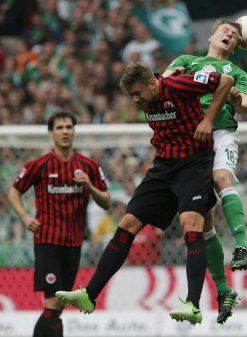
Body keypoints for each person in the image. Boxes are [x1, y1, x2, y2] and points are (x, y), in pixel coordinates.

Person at [56, 61, 233, 325]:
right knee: (127, 222)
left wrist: (208, 120)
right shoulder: (147, 96)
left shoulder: (179, 84)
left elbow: (225, 82)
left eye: (138, 93)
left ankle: (193, 305)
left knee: (190, 222)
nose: (136, 100)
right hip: (163, 166)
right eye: (132, 96)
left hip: (195, 163)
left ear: (152, 83)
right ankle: (89, 295)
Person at [163, 19, 247, 323]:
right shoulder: (188, 61)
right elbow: (164, 81)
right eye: (225, 31)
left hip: (221, 131)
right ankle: (225, 289)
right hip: (189, 137)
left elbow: (246, 104)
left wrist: (234, 97)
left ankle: (241, 246)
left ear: (238, 45)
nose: (229, 35)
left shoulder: (237, 73)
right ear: (212, 35)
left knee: (221, 177)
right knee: (202, 220)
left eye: (235, 36)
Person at [7, 111, 110, 337]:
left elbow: (106, 201)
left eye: (68, 127)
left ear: (74, 131)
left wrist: (90, 187)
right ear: (51, 133)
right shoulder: (39, 164)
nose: (65, 132)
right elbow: (14, 191)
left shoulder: (88, 166)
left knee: (57, 305)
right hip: (47, 241)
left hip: (73, 244)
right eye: (60, 128)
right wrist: (25, 217)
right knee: (53, 301)